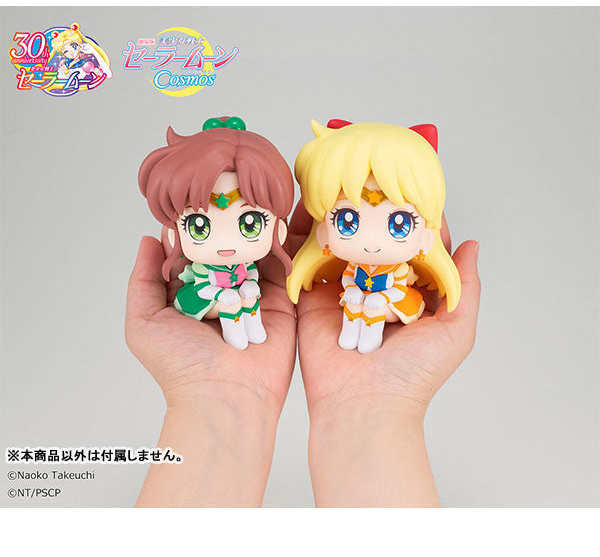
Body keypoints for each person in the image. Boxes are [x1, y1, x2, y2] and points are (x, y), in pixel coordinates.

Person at [125, 193, 480, 507]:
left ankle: (354, 329)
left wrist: (380, 406)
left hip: (393, 299)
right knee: (243, 298)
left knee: (364, 303)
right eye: (200, 226)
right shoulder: (218, 269)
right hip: (205, 294)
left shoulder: (393, 270)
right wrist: (209, 396)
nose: (372, 242)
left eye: (399, 224)